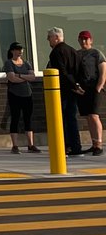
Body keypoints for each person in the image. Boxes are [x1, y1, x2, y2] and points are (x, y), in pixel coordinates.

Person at [46, 28, 84, 157]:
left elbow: (60, 72)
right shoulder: (73, 51)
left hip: (60, 90)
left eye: (49, 37)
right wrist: (77, 85)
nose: (48, 40)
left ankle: (64, 146)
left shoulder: (56, 52)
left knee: (60, 118)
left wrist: (72, 84)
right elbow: (80, 70)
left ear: (56, 37)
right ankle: (76, 146)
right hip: (73, 90)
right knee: (72, 118)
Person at [3, 42, 39, 154]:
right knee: (15, 118)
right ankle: (15, 145)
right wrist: (25, 77)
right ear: (12, 51)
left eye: (21, 49)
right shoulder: (9, 63)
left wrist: (19, 75)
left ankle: (31, 144)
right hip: (14, 94)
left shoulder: (26, 63)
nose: (20, 51)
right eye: (18, 49)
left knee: (28, 118)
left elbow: (32, 77)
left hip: (27, 93)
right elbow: (12, 78)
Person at [78, 31, 105, 156]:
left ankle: (99, 143)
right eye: (81, 39)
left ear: (91, 40)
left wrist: (99, 86)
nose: (84, 41)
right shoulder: (77, 54)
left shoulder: (96, 54)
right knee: (88, 116)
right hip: (83, 89)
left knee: (94, 115)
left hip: (94, 87)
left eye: (86, 39)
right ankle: (93, 143)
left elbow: (103, 70)